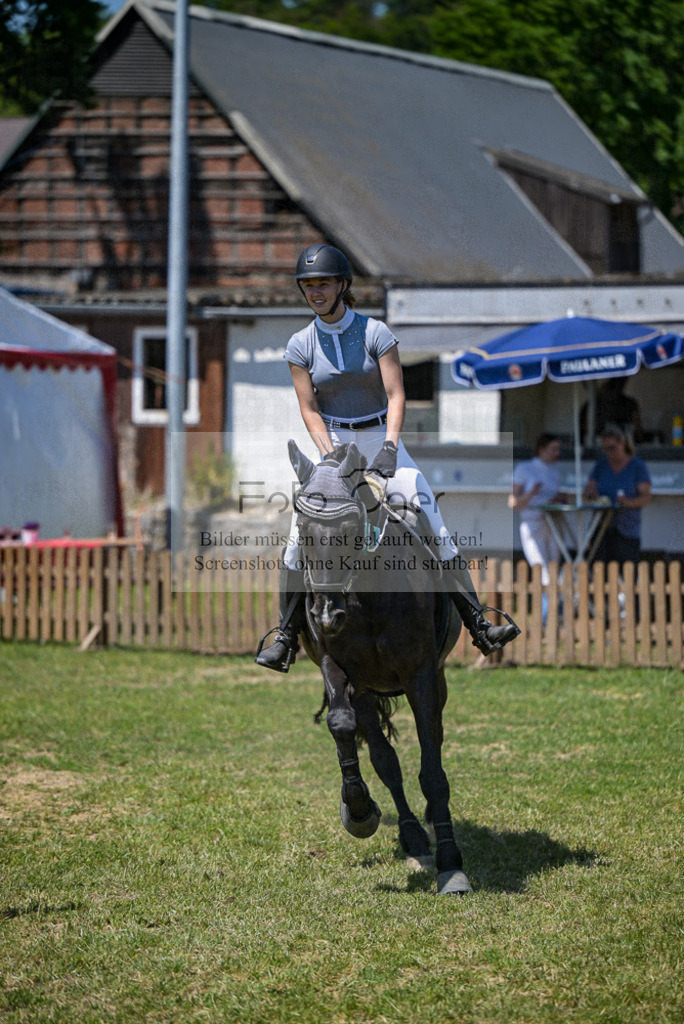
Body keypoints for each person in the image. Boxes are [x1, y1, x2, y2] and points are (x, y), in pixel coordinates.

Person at [256, 243, 520, 671]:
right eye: (308, 286)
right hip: (334, 445)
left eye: (323, 283)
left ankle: (478, 624)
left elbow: (398, 394)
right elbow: (309, 409)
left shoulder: (375, 332)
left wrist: (391, 447)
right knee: (293, 542)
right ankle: (285, 636)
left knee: (430, 515)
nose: (316, 292)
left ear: (342, 285)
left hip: (381, 435)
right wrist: (330, 457)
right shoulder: (299, 344)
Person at [582, 423, 651, 565]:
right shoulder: (601, 465)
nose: (609, 453)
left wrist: (627, 502)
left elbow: (646, 497)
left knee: (627, 573)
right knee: (599, 571)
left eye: (612, 448)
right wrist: (591, 494)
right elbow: (588, 491)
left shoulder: (637, 466)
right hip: (600, 527)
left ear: (623, 443)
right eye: (605, 449)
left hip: (627, 529)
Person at [508, 433, 565, 586]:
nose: (557, 454)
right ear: (542, 449)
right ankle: (547, 608)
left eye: (558, 449)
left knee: (554, 570)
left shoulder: (555, 473)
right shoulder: (525, 469)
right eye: (553, 449)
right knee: (542, 570)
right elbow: (513, 503)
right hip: (532, 524)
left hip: (551, 524)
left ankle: (553, 607)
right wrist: (531, 492)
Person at [581, 377, 645, 444]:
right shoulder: (591, 406)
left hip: (624, 445)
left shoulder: (629, 403)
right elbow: (587, 430)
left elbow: (638, 428)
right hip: (599, 444)